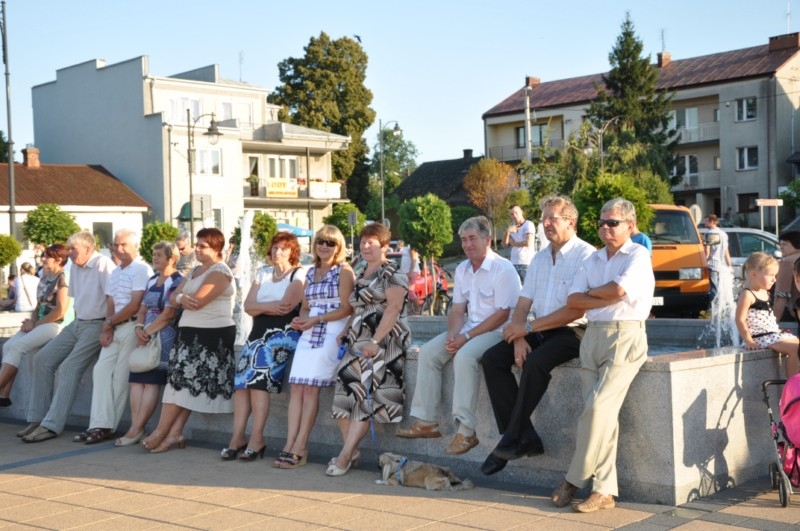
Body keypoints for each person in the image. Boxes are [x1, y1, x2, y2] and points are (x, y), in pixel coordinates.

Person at [551, 198, 654, 513]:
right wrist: (602, 295)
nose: (604, 228)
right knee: (600, 416)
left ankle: (573, 478)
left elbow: (618, 291)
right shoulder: (594, 259)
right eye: (601, 222)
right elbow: (572, 300)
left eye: (613, 223)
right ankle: (604, 491)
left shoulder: (638, 255)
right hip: (593, 337)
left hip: (625, 335)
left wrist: (594, 295)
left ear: (630, 226)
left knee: (597, 409)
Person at [480, 196, 595, 475]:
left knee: (535, 363)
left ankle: (510, 439)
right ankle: (526, 437)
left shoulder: (587, 255)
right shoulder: (540, 258)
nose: (546, 224)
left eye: (552, 218)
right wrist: (519, 336)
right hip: (538, 328)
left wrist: (528, 329)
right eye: (544, 219)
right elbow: (523, 303)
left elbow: (574, 310)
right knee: (492, 358)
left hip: (575, 331)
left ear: (571, 222)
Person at [397, 216, 520, 455]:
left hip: (499, 331)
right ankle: (427, 421)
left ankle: (466, 431)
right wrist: (453, 335)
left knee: (465, 357)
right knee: (428, 352)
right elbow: (456, 310)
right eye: (463, 240)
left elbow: (502, 314)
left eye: (472, 238)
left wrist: (467, 337)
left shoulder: (503, 269)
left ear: (487, 240)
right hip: (470, 329)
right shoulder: (463, 269)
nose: (467, 244)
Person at [141, 227, 236, 453]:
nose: (197, 249)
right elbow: (173, 297)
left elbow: (196, 301)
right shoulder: (195, 270)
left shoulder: (220, 271)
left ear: (216, 248)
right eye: (197, 244)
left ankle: (161, 432)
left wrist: (181, 297)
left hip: (211, 335)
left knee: (185, 385)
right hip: (189, 333)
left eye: (203, 246)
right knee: (181, 385)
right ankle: (174, 433)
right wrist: (182, 297)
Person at [327, 223, 410, 476]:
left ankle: (344, 456)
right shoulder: (362, 271)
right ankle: (351, 450)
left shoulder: (392, 272)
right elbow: (357, 309)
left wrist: (375, 341)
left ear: (384, 246)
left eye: (371, 242)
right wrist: (345, 331)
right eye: (362, 242)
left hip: (382, 343)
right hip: (357, 341)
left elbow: (394, 308)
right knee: (343, 397)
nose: (365, 246)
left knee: (364, 403)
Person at [19, 232, 116, 443]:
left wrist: (108, 327)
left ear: (88, 249)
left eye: (73, 249)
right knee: (41, 359)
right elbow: (74, 301)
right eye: (69, 248)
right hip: (78, 323)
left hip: (97, 324)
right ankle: (37, 419)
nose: (69, 253)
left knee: (69, 367)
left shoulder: (103, 264)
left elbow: (112, 297)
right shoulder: (75, 267)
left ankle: (51, 425)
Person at [273, 225, 354, 469]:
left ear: (338, 247)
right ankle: (290, 443)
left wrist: (316, 319)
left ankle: (301, 446)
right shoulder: (310, 272)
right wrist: (301, 320)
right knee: (297, 387)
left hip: (332, 330)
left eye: (330, 243)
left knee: (310, 389)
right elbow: (306, 307)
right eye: (321, 241)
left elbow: (348, 308)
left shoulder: (344, 271)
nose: (324, 246)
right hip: (309, 331)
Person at [222, 232, 305, 461]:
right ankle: (237, 437)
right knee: (241, 383)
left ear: (292, 251)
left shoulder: (298, 274)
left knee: (258, 382)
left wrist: (260, 306)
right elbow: (247, 306)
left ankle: (257, 439)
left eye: (284, 248)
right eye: (275, 247)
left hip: (282, 334)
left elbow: (287, 306)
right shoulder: (264, 273)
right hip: (258, 332)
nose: (278, 252)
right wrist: (268, 307)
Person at [73, 229, 153, 444]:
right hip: (115, 327)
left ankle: (108, 427)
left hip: (130, 326)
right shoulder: (116, 271)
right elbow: (110, 300)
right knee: (100, 371)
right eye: (116, 244)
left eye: (124, 244)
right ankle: (97, 424)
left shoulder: (141, 269)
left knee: (120, 379)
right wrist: (108, 328)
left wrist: (109, 323)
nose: (119, 248)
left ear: (135, 246)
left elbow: (135, 304)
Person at [115, 241, 182, 447]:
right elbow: (142, 309)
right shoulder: (152, 280)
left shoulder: (177, 281)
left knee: (151, 381)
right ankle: (137, 427)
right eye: (154, 254)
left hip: (164, 337)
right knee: (137, 380)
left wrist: (147, 332)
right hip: (145, 333)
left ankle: (136, 429)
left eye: (159, 255)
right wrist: (138, 328)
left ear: (172, 258)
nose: (155, 258)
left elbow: (169, 313)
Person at [0, 245, 71, 407]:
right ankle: (4, 395)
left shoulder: (63, 278)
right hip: (40, 323)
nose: (43, 259)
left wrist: (36, 324)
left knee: (17, 346)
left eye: (47, 256)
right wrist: (30, 321)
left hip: (55, 325)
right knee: (8, 346)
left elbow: (60, 312)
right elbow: (38, 307)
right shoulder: (44, 278)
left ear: (59, 259)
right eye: (43, 256)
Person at [736, 252, 799, 377]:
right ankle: (793, 383)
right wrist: (749, 341)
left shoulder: (765, 293)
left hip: (772, 334)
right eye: (771, 275)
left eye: (775, 275)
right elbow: (740, 320)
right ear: (754, 274)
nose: (774, 279)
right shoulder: (747, 294)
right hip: (760, 337)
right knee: (795, 348)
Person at [772, 231, 800, 322]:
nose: (781, 248)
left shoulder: (787, 262)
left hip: (795, 311)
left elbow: (781, 293)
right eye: (780, 245)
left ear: (797, 244)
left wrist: (774, 320)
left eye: (785, 244)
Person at [503, 205, 536, 282]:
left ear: (521, 212)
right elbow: (505, 245)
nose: (514, 215)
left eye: (516, 212)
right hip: (513, 263)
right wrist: (507, 232)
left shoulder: (528, 224)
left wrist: (514, 244)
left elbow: (528, 242)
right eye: (512, 214)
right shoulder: (511, 228)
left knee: (526, 288)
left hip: (526, 263)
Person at [703, 214, 731, 302]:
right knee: (721, 288)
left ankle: (714, 306)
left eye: (706, 221)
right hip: (722, 266)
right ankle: (722, 305)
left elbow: (707, 253)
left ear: (712, 222)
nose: (704, 223)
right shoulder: (723, 234)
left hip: (712, 265)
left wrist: (703, 263)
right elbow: (726, 252)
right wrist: (729, 265)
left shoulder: (709, 234)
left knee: (714, 288)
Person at [399, 239, 421, 310]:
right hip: (406, 272)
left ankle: (417, 309)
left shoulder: (411, 247)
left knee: (410, 291)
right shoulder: (405, 247)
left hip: (411, 271)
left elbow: (414, 260)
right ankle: (409, 310)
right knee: (405, 292)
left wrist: (411, 272)